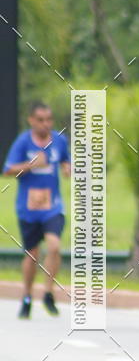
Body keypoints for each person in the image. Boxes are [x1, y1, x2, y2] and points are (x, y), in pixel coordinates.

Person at [3, 102, 71, 319]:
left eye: (49, 120)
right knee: (32, 255)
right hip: (29, 208)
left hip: (52, 206)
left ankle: (49, 292)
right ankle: (27, 296)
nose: (45, 124)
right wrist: (31, 164)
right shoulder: (23, 142)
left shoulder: (59, 141)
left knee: (54, 246)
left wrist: (67, 168)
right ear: (31, 120)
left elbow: (65, 161)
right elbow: (8, 170)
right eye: (40, 120)